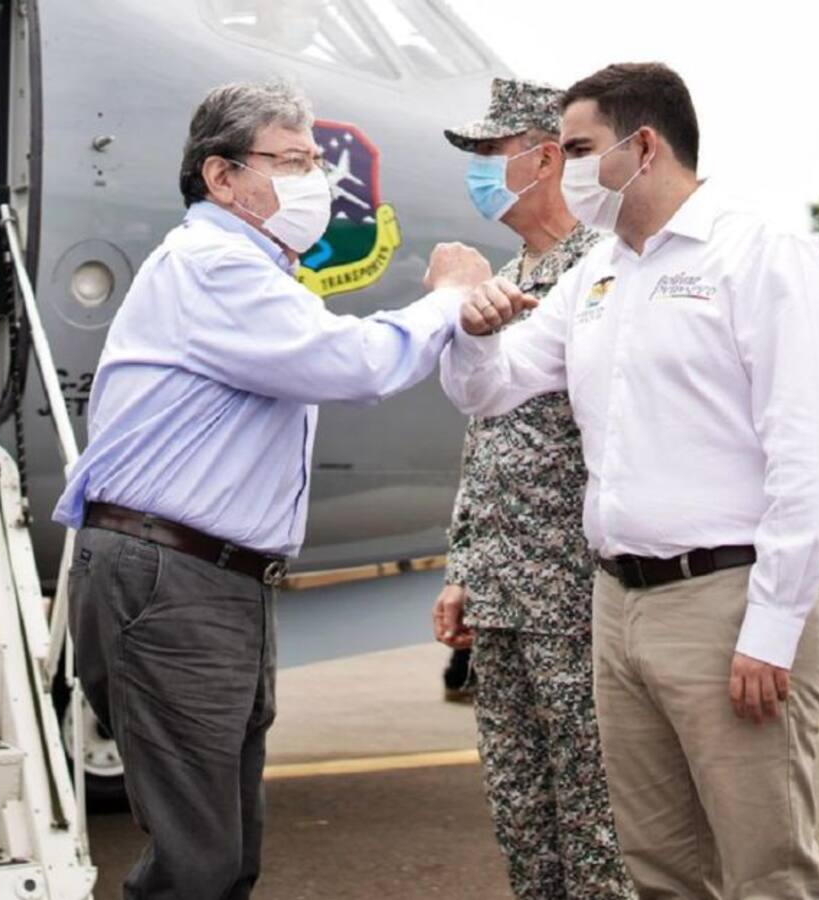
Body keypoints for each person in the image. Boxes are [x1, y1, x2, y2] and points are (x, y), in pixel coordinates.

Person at [53, 80, 498, 900]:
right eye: (292, 162)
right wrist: (445, 299)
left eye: (314, 165)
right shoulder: (215, 263)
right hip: (174, 578)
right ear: (222, 179)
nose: (315, 184)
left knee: (227, 852)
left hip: (209, 577)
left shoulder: (250, 271)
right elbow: (350, 364)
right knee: (199, 863)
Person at [441, 62, 819, 899]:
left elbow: (805, 460)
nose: (568, 167)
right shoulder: (599, 274)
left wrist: (772, 627)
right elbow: (492, 386)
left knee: (763, 864)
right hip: (617, 605)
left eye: (581, 148)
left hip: (725, 599)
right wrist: (472, 325)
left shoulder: (759, 254)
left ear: (645, 145)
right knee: (657, 866)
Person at [431, 77, 634, 899]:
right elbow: (486, 437)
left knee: (596, 822)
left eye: (490, 152)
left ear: (545, 157)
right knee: (523, 816)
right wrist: (462, 566)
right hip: (505, 593)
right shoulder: (514, 273)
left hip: (575, 594)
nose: (478, 170)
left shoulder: (605, 267)